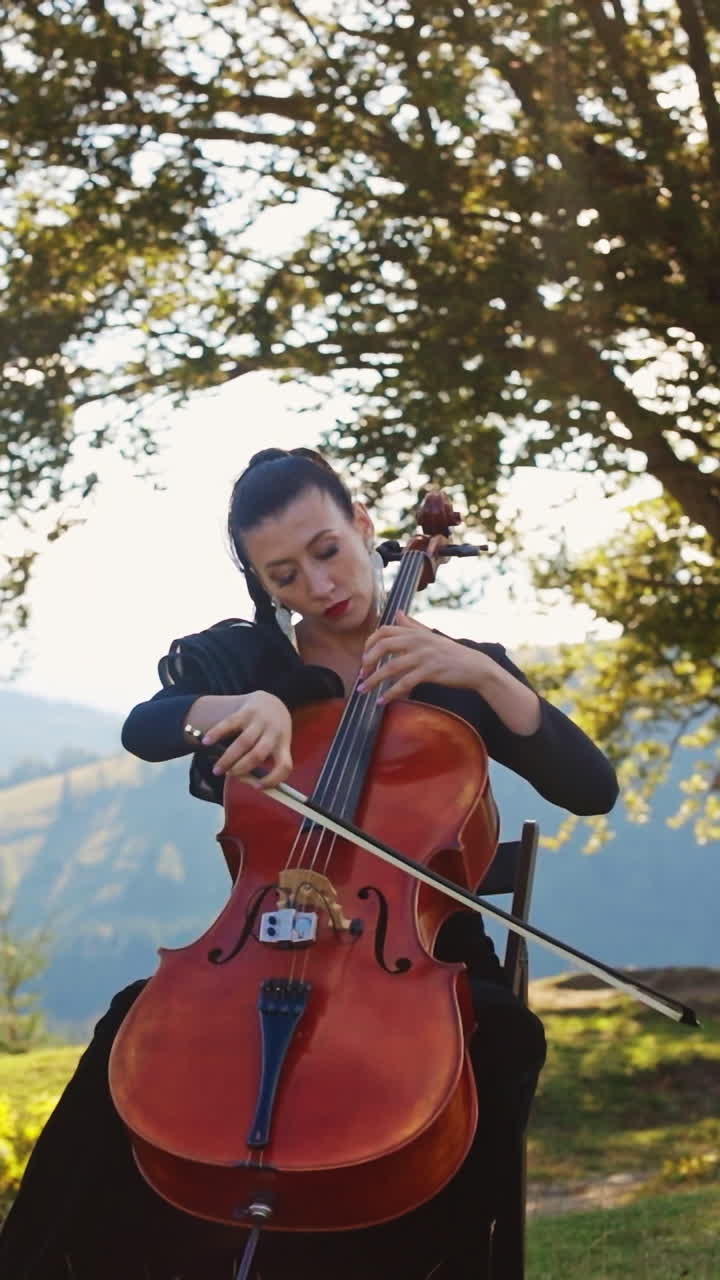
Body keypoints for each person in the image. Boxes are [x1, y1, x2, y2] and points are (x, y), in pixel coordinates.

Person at [0, 447, 618, 1280]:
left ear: (364, 527)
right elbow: (148, 726)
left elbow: (592, 788)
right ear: (263, 583)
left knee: (501, 1039)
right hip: (249, 954)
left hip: (422, 968)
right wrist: (244, 706)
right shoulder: (249, 663)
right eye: (284, 575)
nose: (318, 586)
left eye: (326, 551)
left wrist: (485, 676)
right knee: (130, 1028)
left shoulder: (456, 671)